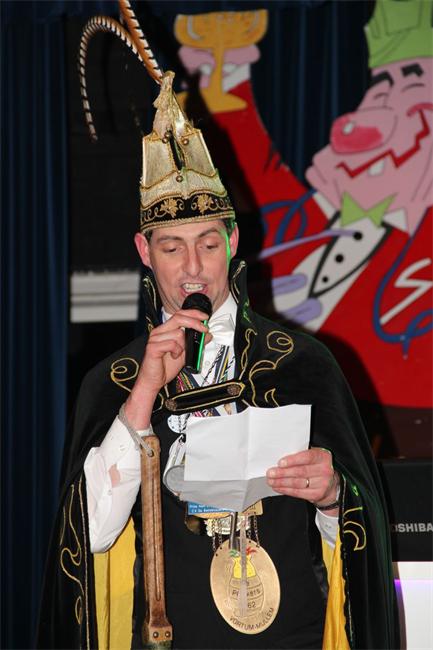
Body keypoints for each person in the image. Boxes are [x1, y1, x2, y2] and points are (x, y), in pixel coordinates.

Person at [37, 13, 398, 649]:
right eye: (172, 247)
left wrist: (333, 496)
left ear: (232, 242)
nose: (193, 268)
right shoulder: (114, 381)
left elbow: (359, 544)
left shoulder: (302, 363)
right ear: (145, 253)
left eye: (208, 244)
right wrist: (143, 395)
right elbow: (86, 537)